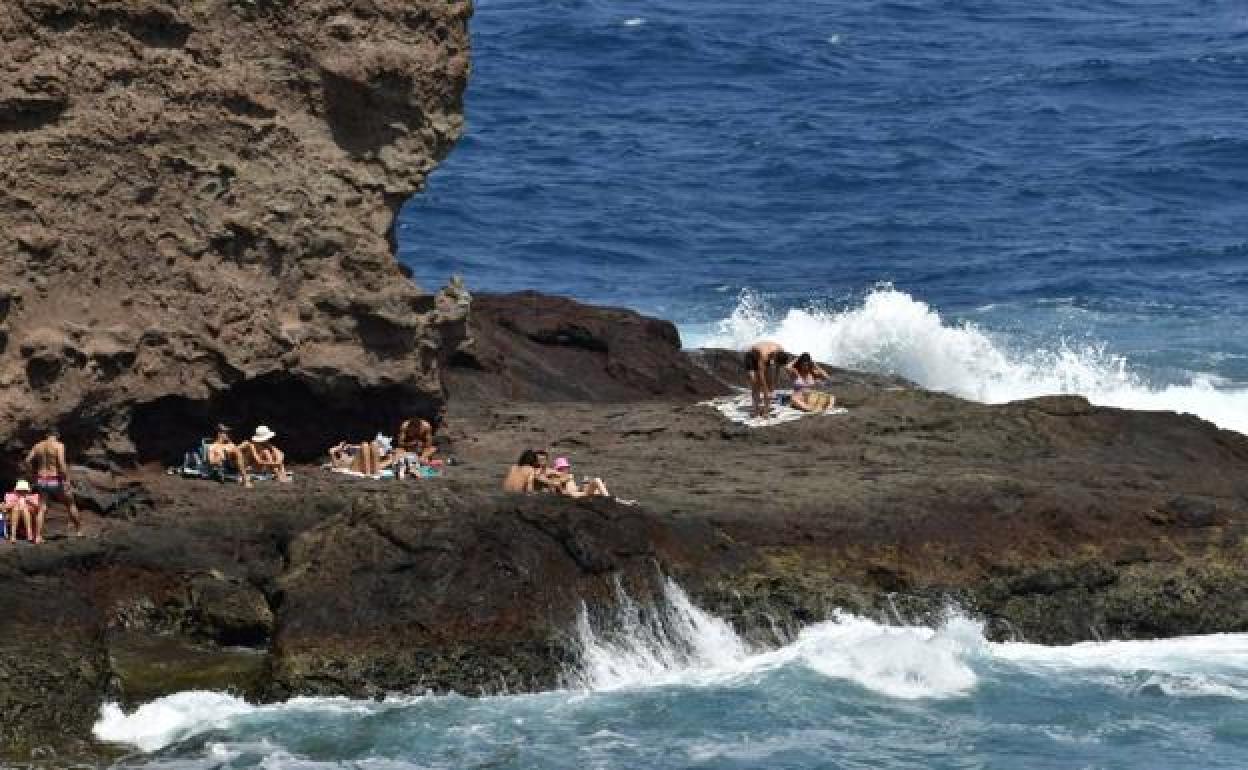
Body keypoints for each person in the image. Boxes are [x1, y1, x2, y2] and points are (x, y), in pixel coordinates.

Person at [26, 429, 81, 537]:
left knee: (42, 508)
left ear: (46, 435)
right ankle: (79, 531)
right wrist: (66, 479)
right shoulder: (59, 445)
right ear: (57, 435)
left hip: (41, 479)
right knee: (70, 504)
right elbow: (61, 463)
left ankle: (38, 537)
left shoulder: (37, 446)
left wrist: (33, 473)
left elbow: (27, 460)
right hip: (55, 479)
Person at [744, 341, 793, 418]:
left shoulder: (781, 352)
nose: (774, 363)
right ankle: (756, 409)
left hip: (767, 357)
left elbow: (778, 367)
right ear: (775, 356)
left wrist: (774, 383)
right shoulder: (764, 355)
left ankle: (766, 411)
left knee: (769, 385)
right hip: (751, 356)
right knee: (755, 382)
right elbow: (761, 374)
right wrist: (765, 389)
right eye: (775, 361)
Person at [546, 456, 610, 498]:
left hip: (579, 493)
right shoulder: (556, 478)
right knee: (597, 480)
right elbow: (562, 491)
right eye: (562, 468)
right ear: (558, 469)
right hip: (575, 495)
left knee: (600, 485)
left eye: (566, 468)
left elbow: (574, 488)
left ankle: (614, 500)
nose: (565, 470)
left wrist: (584, 484)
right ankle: (608, 499)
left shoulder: (568, 476)